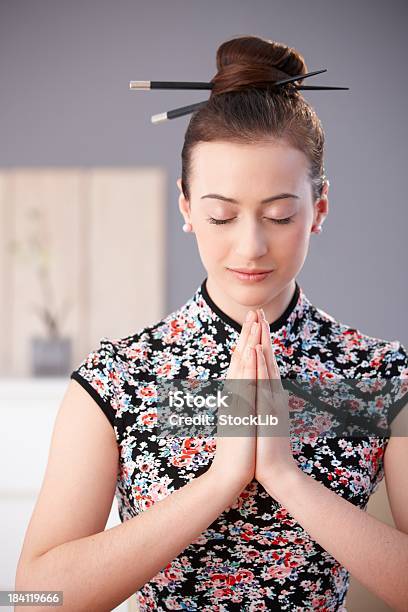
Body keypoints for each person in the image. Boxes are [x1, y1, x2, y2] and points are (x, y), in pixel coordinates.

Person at [15, 35, 408, 612]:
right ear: (186, 207)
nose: (250, 246)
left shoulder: (382, 375)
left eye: (279, 215)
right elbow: (33, 597)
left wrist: (284, 477)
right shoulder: (117, 379)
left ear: (319, 208)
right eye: (221, 215)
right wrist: (220, 481)